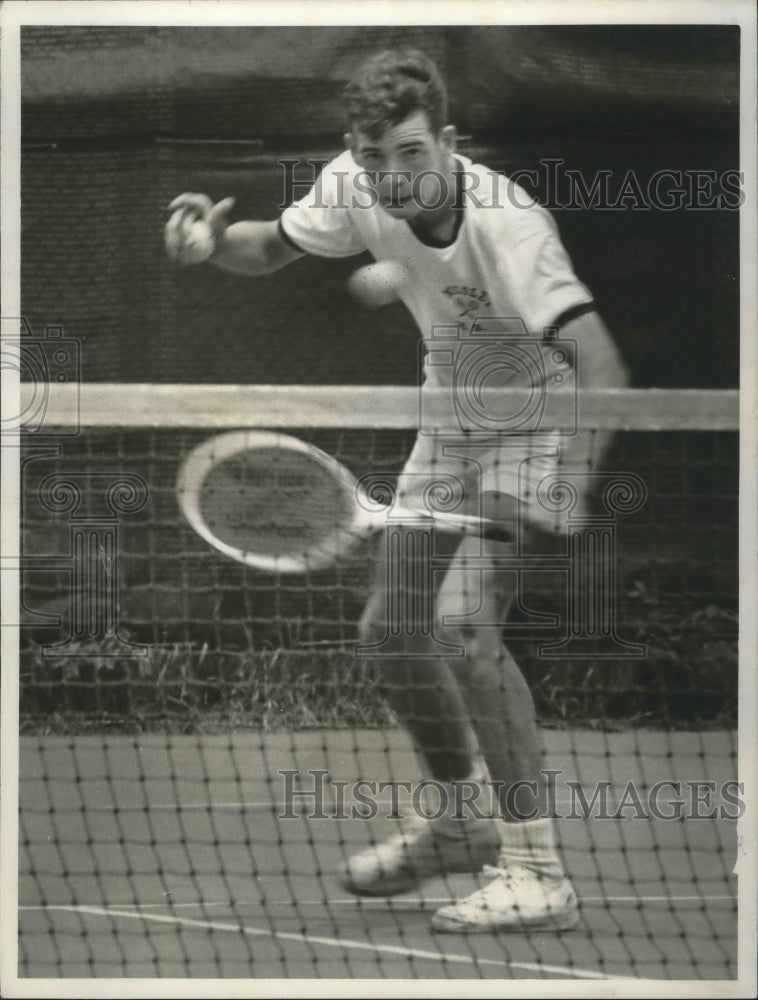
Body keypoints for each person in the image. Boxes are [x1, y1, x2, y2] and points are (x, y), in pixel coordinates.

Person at [165, 48, 629, 933]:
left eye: (412, 153)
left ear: (447, 139)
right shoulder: (354, 183)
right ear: (356, 148)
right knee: (391, 630)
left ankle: (537, 869)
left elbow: (599, 363)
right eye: (376, 157)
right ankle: (457, 824)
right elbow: (264, 249)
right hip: (451, 421)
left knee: (463, 627)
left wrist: (563, 493)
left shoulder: (508, 227)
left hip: (537, 423)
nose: (393, 176)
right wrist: (209, 242)